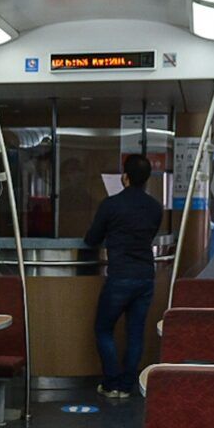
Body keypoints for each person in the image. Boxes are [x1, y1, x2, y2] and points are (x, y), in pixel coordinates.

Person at [84, 153, 163, 397]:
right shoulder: (154, 207)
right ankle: (127, 386)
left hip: (120, 276)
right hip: (146, 277)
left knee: (103, 328)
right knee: (135, 331)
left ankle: (111, 382)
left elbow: (91, 239)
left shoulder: (111, 205)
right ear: (147, 179)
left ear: (124, 177)